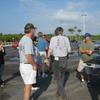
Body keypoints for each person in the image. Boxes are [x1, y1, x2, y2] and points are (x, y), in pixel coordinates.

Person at [47, 27, 71, 100]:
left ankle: (63, 95)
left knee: (57, 78)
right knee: (62, 77)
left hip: (56, 59)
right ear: (62, 32)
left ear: (56, 32)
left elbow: (50, 49)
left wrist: (47, 58)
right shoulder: (66, 38)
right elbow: (69, 50)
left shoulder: (53, 38)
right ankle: (58, 93)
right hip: (64, 59)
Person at [19, 23, 37, 100]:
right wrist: (34, 65)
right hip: (28, 65)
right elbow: (28, 55)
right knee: (28, 86)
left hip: (23, 65)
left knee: (27, 85)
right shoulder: (28, 40)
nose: (35, 31)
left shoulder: (23, 38)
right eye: (34, 30)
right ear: (32, 30)